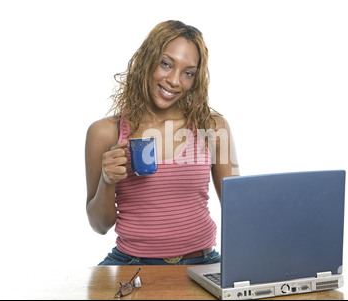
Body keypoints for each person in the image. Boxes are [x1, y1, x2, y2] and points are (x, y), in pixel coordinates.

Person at [85, 20, 239, 265]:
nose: (175, 81)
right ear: (147, 61)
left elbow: (240, 209)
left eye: (188, 73)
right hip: (131, 263)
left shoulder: (212, 127)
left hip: (202, 261)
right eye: (166, 64)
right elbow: (99, 225)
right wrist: (107, 181)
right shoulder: (104, 133)